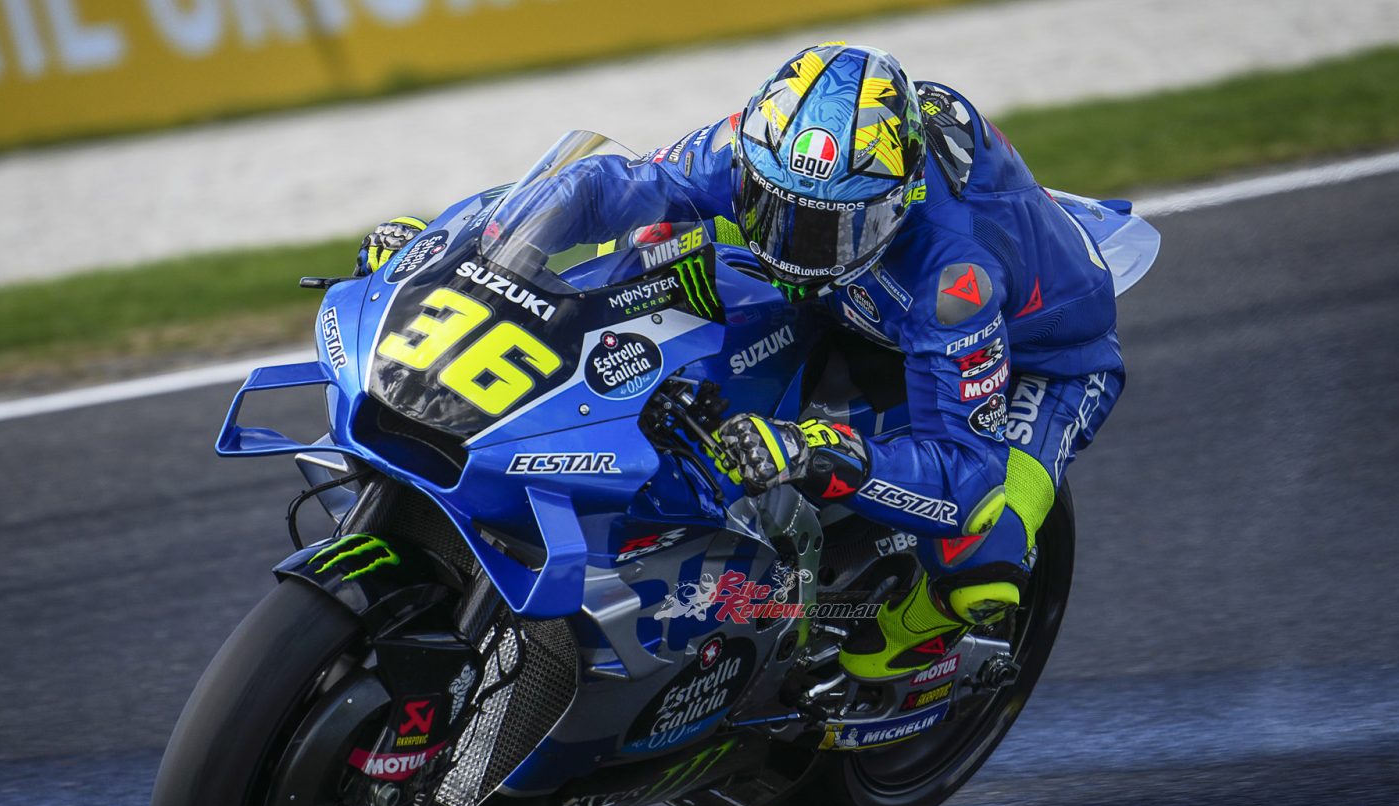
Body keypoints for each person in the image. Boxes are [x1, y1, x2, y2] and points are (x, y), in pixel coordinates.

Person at [356, 42, 1124, 682]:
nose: (790, 240)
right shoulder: (751, 149)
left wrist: (815, 448)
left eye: (823, 228)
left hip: (1041, 358)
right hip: (849, 296)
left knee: (982, 545)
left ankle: (920, 646)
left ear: (895, 206)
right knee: (648, 257)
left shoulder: (954, 280)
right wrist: (474, 251)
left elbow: (965, 476)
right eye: (774, 207)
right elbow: (605, 188)